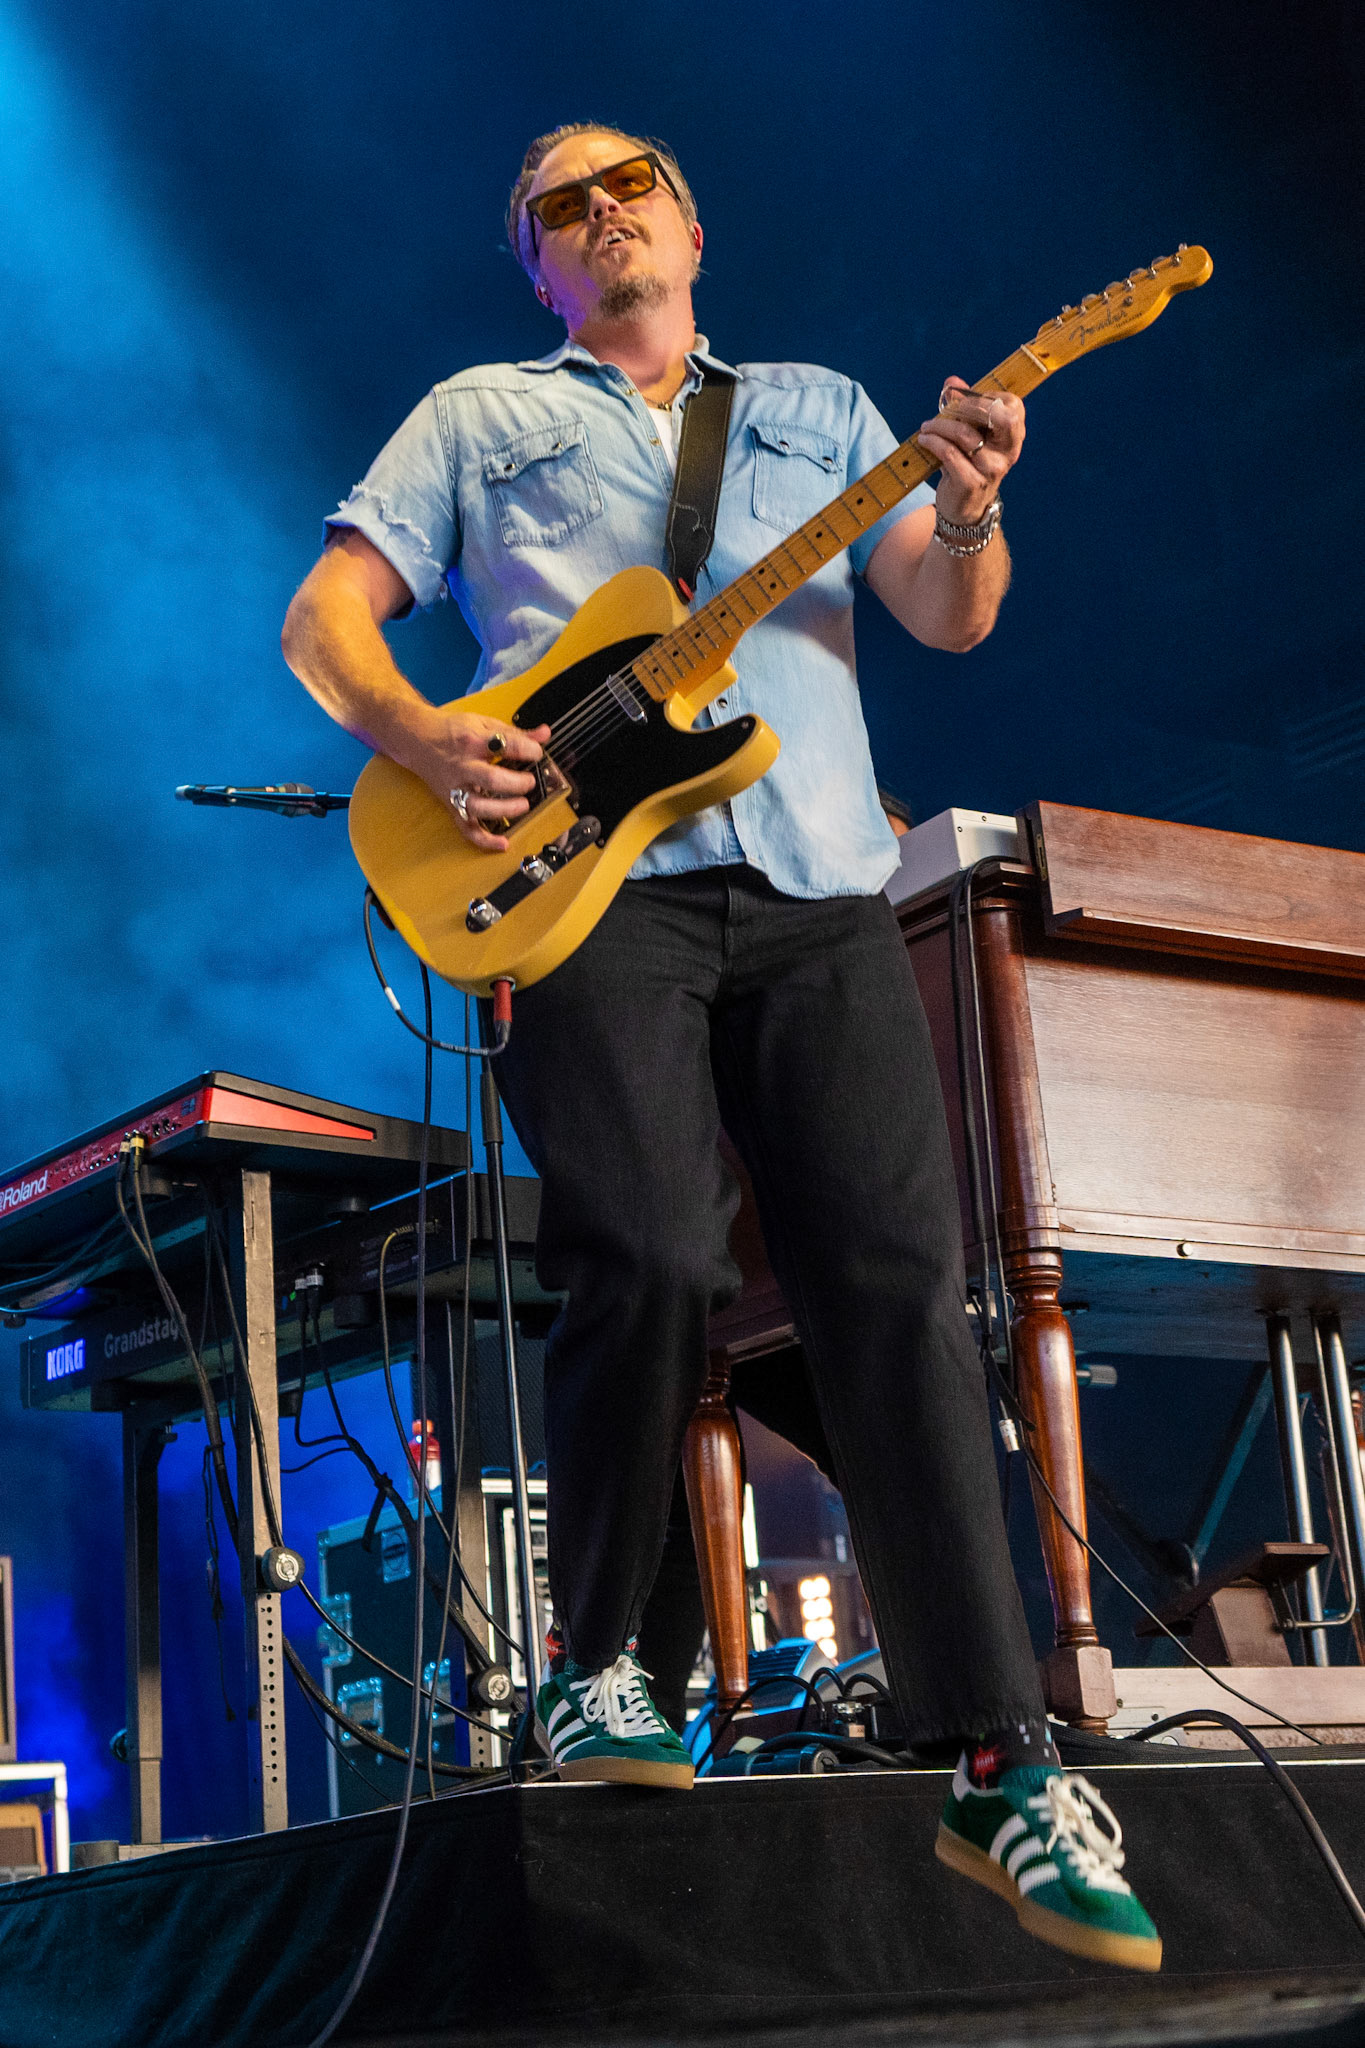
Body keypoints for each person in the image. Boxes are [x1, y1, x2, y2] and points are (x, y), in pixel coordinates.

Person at [282, 123, 1160, 1972]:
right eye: (561, 204)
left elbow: (943, 614)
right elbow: (324, 621)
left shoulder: (822, 410)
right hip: (588, 894)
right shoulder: (477, 417)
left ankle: (996, 1757)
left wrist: (973, 504)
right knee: (651, 1250)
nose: (604, 212)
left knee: (899, 1289)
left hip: (822, 887)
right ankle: (603, 1662)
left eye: (632, 186)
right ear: (534, 263)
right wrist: (426, 736)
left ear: (689, 223)